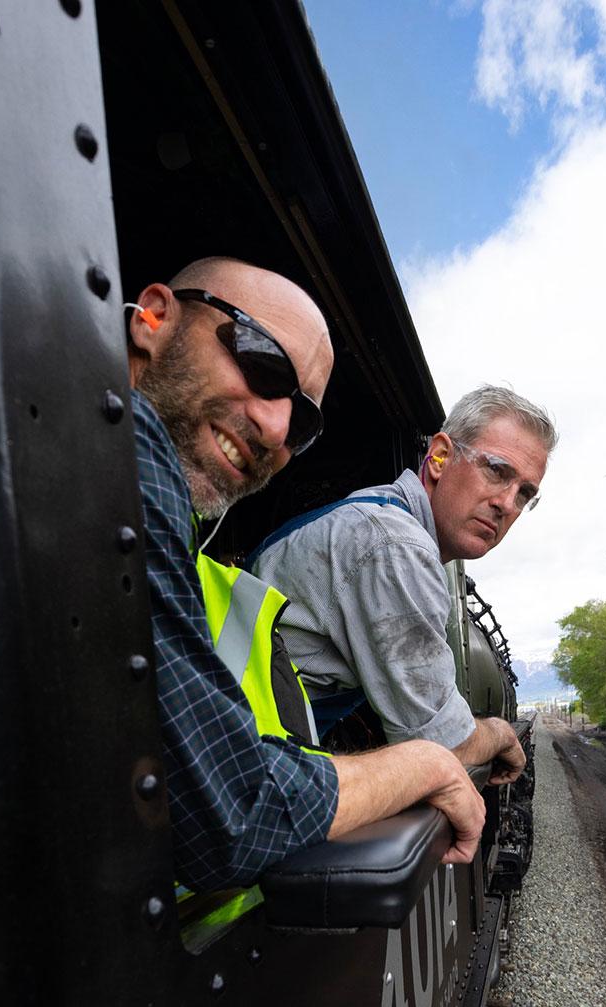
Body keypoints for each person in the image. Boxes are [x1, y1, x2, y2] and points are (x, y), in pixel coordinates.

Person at [126, 257, 485, 892]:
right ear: (154, 317)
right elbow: (233, 811)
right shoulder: (132, 456)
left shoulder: (162, 516)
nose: (276, 428)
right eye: (263, 365)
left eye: (304, 420)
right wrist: (426, 764)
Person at [251, 385, 557, 784]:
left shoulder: (376, 516)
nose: (507, 503)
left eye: (525, 494)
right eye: (496, 470)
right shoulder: (396, 544)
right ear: (440, 457)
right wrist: (499, 732)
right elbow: (443, 745)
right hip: (239, 771)